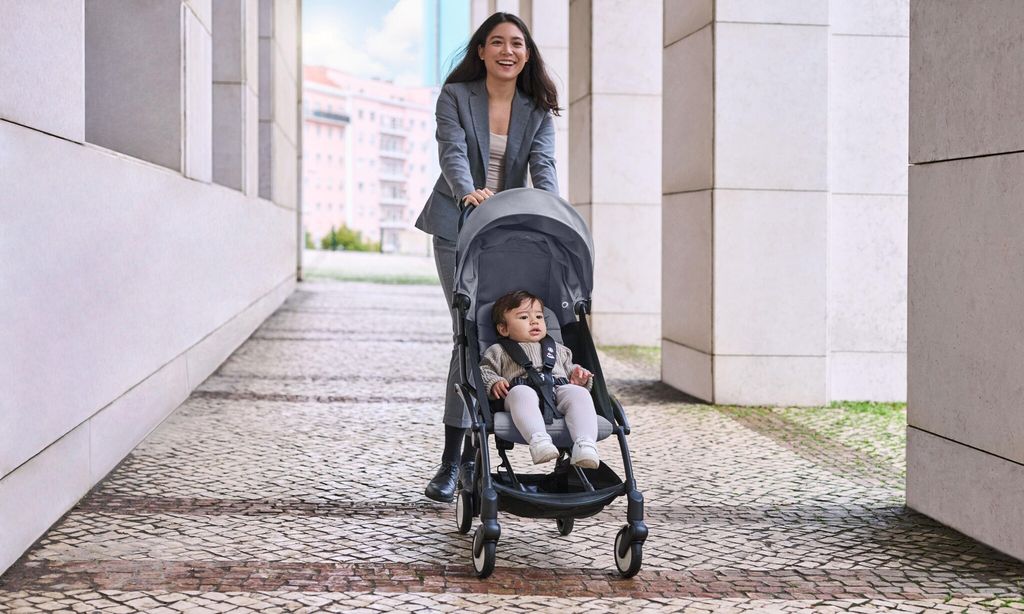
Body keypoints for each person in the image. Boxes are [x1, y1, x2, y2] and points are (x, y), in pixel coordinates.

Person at [416, 12, 562, 502]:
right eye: (496, 42)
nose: (507, 50)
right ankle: (451, 461)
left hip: (507, 234)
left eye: (516, 43)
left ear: (527, 53)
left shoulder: (536, 107)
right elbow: (451, 151)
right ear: (480, 50)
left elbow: (543, 167)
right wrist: (468, 194)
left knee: (494, 333)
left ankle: (480, 450)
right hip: (457, 228)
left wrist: (552, 216)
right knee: (466, 336)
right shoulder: (456, 97)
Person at [478, 291, 600, 468]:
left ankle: (585, 444)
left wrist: (578, 375)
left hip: (557, 390)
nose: (534, 321)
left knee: (578, 393)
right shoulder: (498, 351)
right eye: (523, 317)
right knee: (522, 392)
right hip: (520, 392)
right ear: (504, 328)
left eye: (539, 316)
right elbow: (484, 370)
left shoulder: (559, 350)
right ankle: (539, 440)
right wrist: (494, 382)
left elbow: (569, 368)